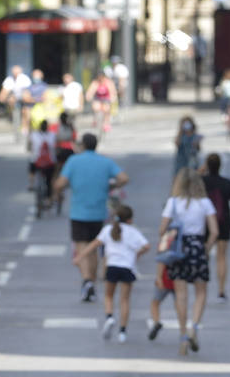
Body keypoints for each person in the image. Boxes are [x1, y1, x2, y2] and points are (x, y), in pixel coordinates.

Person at [54, 133, 128, 302]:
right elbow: (124, 178)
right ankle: (91, 284)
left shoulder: (74, 161)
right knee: (94, 249)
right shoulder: (105, 162)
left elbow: (60, 183)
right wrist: (112, 186)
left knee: (81, 247)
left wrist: (60, 189)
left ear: (83, 145)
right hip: (98, 212)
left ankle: (87, 280)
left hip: (79, 212)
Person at [157, 170, 219, 356]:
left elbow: (162, 229)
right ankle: (195, 327)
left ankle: (183, 335)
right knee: (201, 291)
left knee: (181, 294)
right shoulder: (205, 203)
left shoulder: (173, 202)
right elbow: (214, 231)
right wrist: (206, 249)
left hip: (178, 248)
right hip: (197, 246)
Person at [73, 205, 148, 343]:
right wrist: (137, 254)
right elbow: (146, 246)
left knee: (108, 296)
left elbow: (93, 245)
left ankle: (109, 317)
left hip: (112, 267)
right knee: (124, 300)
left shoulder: (108, 230)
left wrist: (79, 257)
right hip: (127, 268)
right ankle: (123, 332)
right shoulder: (133, 232)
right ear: (130, 220)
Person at [201, 153, 230, 301]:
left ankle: (202, 289)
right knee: (221, 257)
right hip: (224, 221)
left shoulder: (201, 182)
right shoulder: (227, 183)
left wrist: (201, 170)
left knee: (203, 254)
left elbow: (187, 180)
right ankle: (221, 290)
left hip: (205, 222)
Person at [146, 261, 175, 342]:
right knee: (180, 304)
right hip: (179, 278)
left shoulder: (164, 247)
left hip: (165, 277)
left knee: (155, 302)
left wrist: (159, 277)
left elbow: (162, 260)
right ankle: (184, 329)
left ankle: (156, 322)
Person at [29, 120, 56, 200]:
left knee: (31, 167)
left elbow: (29, 146)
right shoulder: (52, 135)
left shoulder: (34, 135)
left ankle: (31, 183)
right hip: (49, 162)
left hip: (36, 161)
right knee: (50, 179)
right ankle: (49, 199)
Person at [0, 65, 31, 134]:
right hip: (14, 99)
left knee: (25, 109)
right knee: (10, 100)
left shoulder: (24, 79)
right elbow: (4, 92)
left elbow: (27, 92)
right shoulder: (9, 79)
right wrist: (5, 98)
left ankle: (25, 126)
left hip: (24, 98)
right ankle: (12, 117)